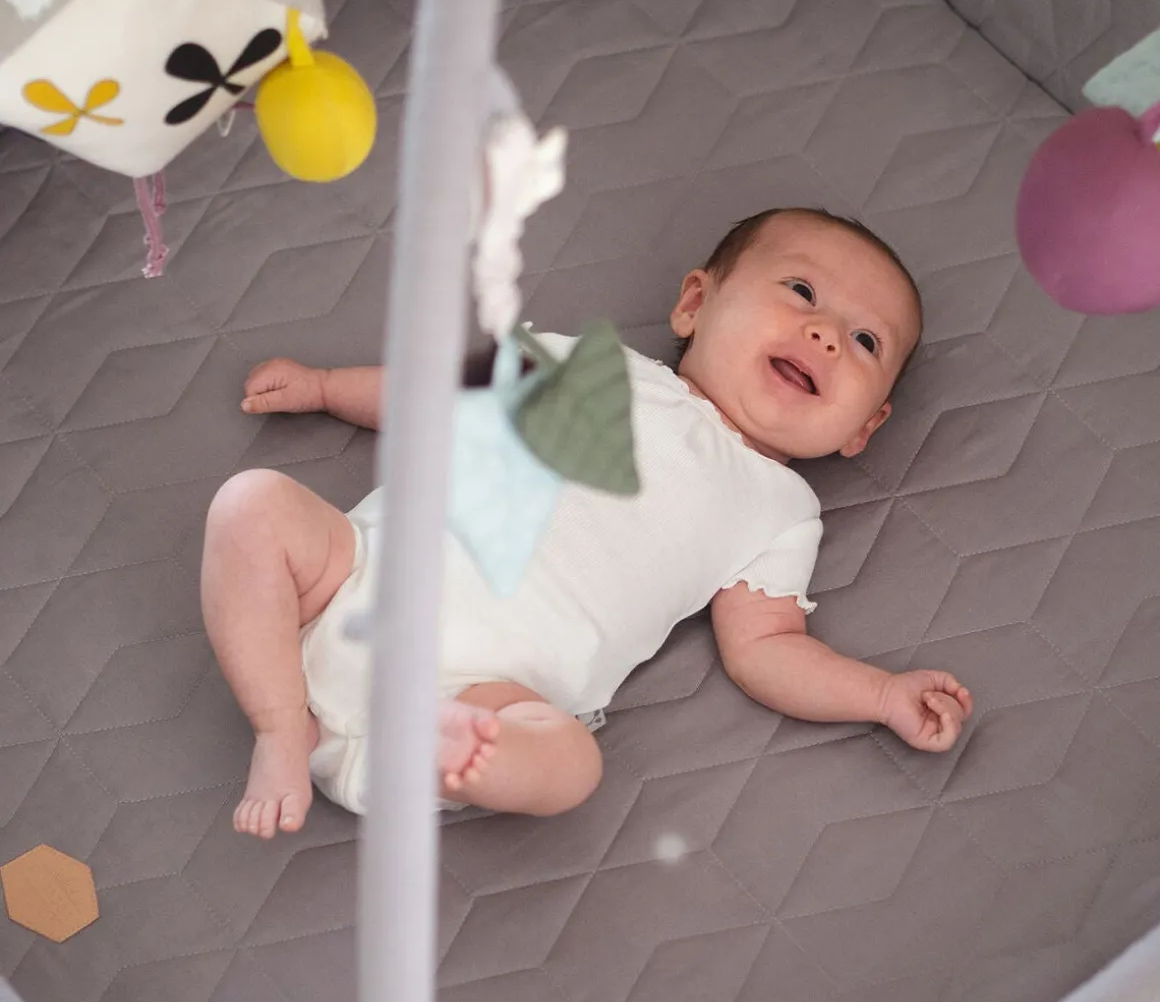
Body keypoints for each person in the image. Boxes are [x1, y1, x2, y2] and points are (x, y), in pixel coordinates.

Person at [201, 207, 972, 839]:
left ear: (862, 428)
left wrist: (880, 695)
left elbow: (767, 648)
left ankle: (442, 752)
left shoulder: (781, 508)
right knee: (252, 503)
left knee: (572, 762)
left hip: (482, 692)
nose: (827, 334)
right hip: (351, 582)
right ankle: (281, 725)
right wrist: (327, 387)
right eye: (801, 290)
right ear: (695, 304)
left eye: (865, 341)